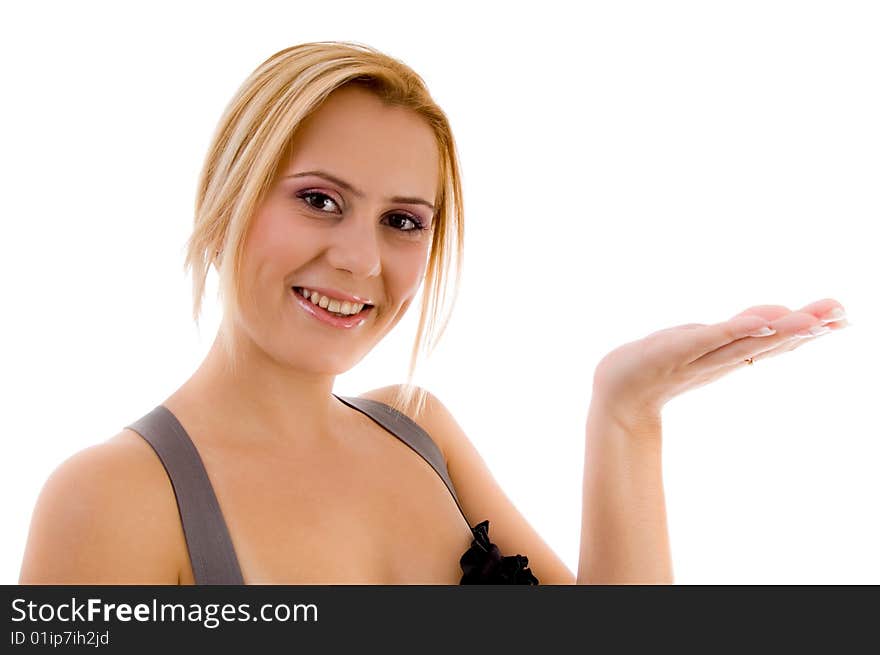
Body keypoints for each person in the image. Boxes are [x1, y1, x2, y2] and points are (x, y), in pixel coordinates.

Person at [18, 41, 847, 585]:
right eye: (319, 200)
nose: (360, 259)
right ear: (227, 193)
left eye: (403, 221)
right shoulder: (111, 495)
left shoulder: (420, 431)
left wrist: (626, 413)